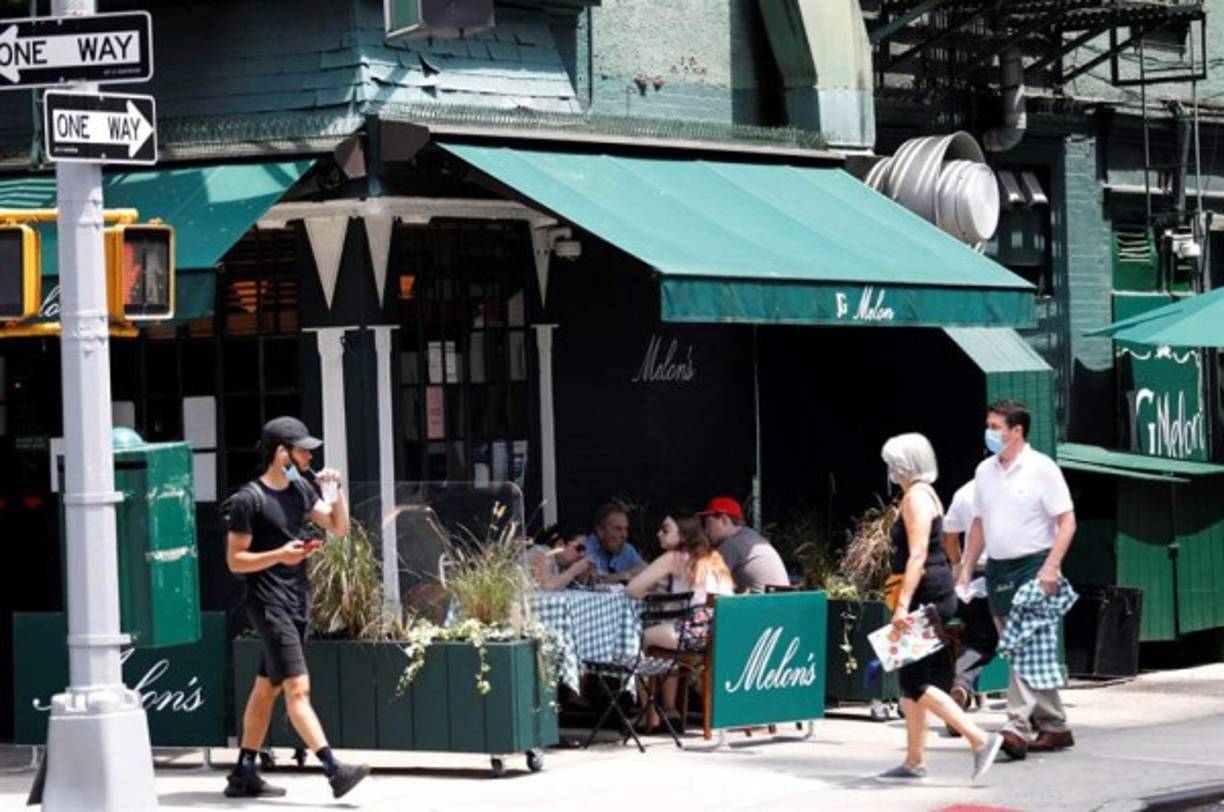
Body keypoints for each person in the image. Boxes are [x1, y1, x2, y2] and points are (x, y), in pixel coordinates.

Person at [223, 417, 370, 800]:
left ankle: (244, 771)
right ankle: (334, 770)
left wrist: (334, 491)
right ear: (280, 452)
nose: (309, 454)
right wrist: (279, 555)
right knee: (297, 690)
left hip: (297, 601)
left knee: (266, 689)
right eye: (303, 449)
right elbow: (236, 561)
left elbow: (338, 528)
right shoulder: (248, 499)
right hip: (269, 604)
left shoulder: (301, 490)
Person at [878, 433, 1003, 783]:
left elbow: (918, 555)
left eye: (892, 462)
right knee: (913, 680)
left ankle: (980, 739)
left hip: (924, 594)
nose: (889, 469)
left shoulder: (914, 498)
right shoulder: (925, 493)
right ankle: (914, 761)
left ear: (903, 464)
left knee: (916, 682)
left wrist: (902, 605)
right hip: (936, 592)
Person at [960, 399, 1077, 762]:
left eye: (996, 426)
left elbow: (1067, 521)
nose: (990, 432)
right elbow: (978, 523)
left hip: (1034, 566)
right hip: (997, 569)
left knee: (1023, 643)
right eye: (988, 425)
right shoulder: (983, 472)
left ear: (1017, 431)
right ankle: (1055, 725)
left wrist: (1051, 567)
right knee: (1020, 649)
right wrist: (966, 567)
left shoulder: (1042, 468)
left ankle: (1016, 727)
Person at [627, 514, 734, 729]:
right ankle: (670, 708)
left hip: (694, 634)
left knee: (634, 641)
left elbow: (633, 589)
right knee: (662, 635)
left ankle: (649, 713)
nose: (659, 534)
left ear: (683, 535)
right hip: (722, 634)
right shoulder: (712, 557)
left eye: (666, 530)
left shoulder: (674, 557)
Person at [942, 478, 998, 714]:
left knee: (975, 641)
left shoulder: (964, 491)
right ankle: (1033, 715)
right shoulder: (1012, 486)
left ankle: (962, 685)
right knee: (1023, 643)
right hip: (1008, 571)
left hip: (973, 574)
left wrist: (957, 567)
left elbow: (950, 537)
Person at [699, 496, 788, 592]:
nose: (706, 531)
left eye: (708, 523)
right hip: (779, 603)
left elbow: (705, 584)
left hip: (760, 605)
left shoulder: (731, 545)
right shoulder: (750, 536)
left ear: (724, 520)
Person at [584, 503, 648, 584]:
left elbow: (648, 570)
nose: (624, 535)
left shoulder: (625, 548)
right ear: (600, 531)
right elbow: (596, 580)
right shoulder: (587, 546)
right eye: (618, 529)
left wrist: (622, 576)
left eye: (626, 529)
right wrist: (625, 576)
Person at [522, 524, 595, 590]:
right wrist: (575, 569)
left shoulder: (559, 564)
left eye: (584, 550)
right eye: (579, 548)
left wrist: (583, 577)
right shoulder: (542, 553)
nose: (582, 554)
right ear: (560, 544)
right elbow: (547, 587)